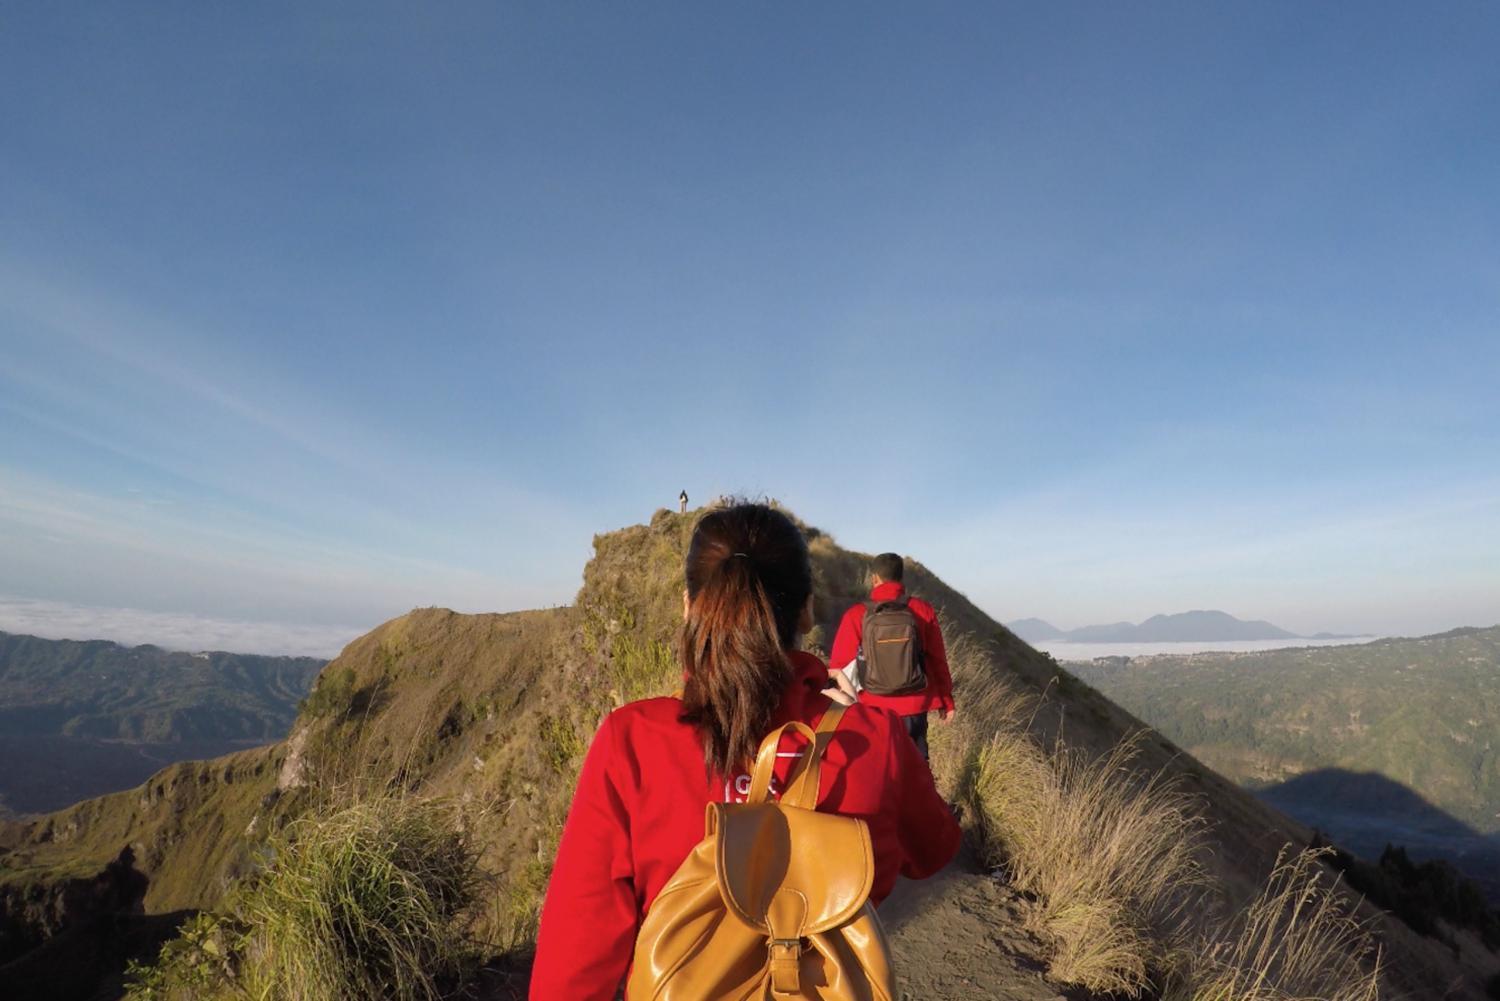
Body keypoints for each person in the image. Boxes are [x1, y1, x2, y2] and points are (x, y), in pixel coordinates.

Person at [530, 504, 961, 1000]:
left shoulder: (632, 742)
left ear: (689, 606)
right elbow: (935, 850)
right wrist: (857, 722)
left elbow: (572, 968)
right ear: (806, 610)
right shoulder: (876, 737)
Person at [828, 552, 955, 761]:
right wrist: (946, 700)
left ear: (875, 578)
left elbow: (838, 668)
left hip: (872, 708)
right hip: (915, 706)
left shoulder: (856, 614)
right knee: (916, 770)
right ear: (900, 577)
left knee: (880, 770)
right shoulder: (922, 610)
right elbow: (937, 659)